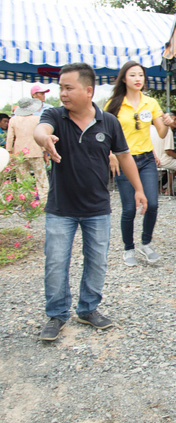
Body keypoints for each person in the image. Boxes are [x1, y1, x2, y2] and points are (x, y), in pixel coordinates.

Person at [33, 62, 147, 341]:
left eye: (68, 88)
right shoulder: (55, 116)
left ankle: (88, 309)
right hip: (60, 209)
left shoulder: (108, 122)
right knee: (56, 263)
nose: (63, 93)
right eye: (61, 88)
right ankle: (56, 314)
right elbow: (41, 131)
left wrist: (139, 189)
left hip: (97, 209)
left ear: (87, 90)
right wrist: (44, 139)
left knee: (96, 262)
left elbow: (124, 156)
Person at [105, 61, 174, 266]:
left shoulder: (150, 103)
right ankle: (128, 248)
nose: (137, 79)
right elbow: (104, 132)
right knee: (129, 208)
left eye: (141, 75)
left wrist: (168, 124)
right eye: (133, 75)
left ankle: (146, 242)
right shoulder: (114, 103)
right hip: (124, 160)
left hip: (146, 159)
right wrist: (110, 154)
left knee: (152, 203)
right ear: (124, 78)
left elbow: (160, 132)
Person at [6, 97, 49, 204]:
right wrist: (45, 151)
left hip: (19, 153)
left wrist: (9, 152)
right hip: (36, 150)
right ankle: (44, 202)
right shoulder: (37, 119)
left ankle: (24, 202)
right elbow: (41, 136)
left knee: (22, 179)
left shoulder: (13, 120)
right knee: (41, 178)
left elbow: (10, 138)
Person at [151, 113, 176, 198]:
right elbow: (168, 151)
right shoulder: (168, 131)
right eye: (174, 119)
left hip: (154, 160)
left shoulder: (152, 129)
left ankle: (168, 190)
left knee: (174, 166)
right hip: (164, 161)